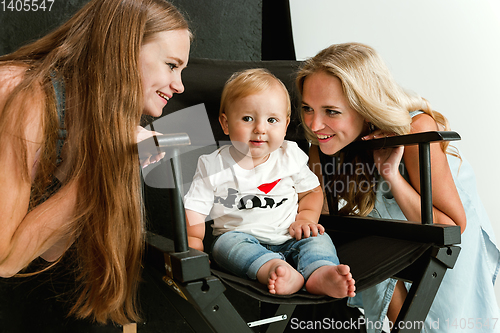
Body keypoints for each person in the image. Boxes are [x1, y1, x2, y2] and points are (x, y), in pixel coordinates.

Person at [0, 0, 191, 325]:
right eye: (172, 65)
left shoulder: (92, 112)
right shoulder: (26, 94)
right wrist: (103, 164)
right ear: (125, 51)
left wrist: (106, 160)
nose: (180, 85)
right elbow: (5, 259)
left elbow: (48, 249)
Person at [297, 42, 500, 332]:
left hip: (446, 243)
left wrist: (391, 175)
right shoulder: (324, 143)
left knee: (451, 326)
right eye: (307, 108)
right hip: (383, 245)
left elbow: (452, 227)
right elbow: (324, 218)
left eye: (331, 111)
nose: (315, 125)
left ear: (365, 108)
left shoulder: (416, 131)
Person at [184, 68, 356, 297]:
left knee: (318, 238)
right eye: (247, 119)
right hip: (240, 236)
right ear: (225, 124)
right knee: (223, 247)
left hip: (290, 234)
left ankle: (320, 272)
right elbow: (195, 208)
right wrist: (194, 242)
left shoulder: (289, 156)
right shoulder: (213, 165)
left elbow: (312, 192)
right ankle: (275, 269)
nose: (260, 129)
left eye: (272, 120)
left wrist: (305, 219)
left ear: (285, 126)